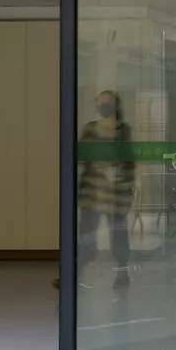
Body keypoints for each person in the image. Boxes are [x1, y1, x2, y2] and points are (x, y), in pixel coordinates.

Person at [77, 90, 136, 289]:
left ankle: (122, 273)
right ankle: (74, 274)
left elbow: (128, 160)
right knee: (86, 236)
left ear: (115, 105)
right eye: (100, 102)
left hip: (116, 194)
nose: (103, 105)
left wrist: (128, 188)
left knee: (118, 237)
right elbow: (82, 156)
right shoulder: (90, 129)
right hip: (92, 194)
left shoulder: (123, 130)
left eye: (107, 102)